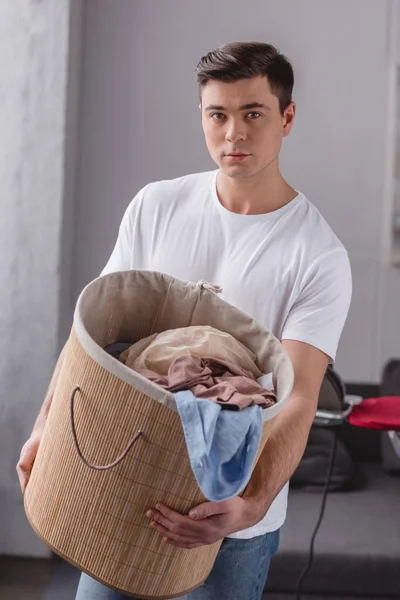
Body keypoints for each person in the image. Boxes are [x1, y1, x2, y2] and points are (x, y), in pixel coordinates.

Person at [17, 42, 352, 600]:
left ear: (287, 117)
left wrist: (250, 506)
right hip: (123, 488)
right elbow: (90, 341)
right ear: (202, 114)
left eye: (253, 114)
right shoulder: (156, 206)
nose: (233, 134)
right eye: (218, 114)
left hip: (227, 521)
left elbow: (298, 397)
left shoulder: (317, 254)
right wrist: (43, 428)